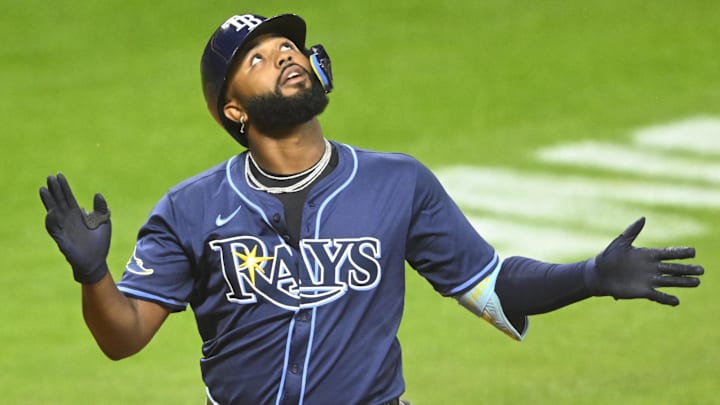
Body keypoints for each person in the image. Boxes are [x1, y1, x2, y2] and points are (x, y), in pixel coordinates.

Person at [39, 12, 704, 405]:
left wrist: (588, 275)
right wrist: (92, 275)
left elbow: (493, 286)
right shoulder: (191, 209)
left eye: (289, 48)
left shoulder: (397, 184)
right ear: (233, 110)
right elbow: (122, 337)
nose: (285, 57)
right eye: (259, 59)